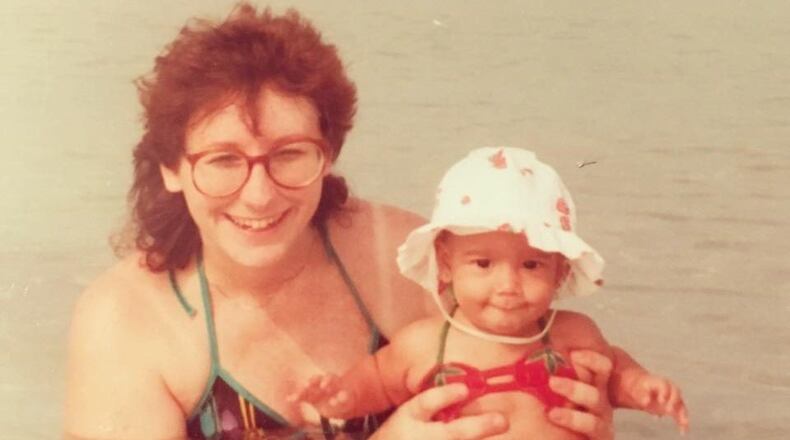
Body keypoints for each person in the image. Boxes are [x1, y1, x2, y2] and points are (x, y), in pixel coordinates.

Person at [65, 4, 634, 439]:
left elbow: (528, 358)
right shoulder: (127, 322)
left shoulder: (394, 259)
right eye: (223, 161)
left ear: (329, 152)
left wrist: (580, 414)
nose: (259, 194)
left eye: (290, 154)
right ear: (171, 167)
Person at [295, 147, 689, 439]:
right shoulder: (425, 342)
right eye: (483, 264)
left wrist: (640, 386)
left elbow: (613, 369)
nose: (508, 286)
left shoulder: (573, 333)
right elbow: (378, 382)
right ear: (446, 264)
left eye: (531, 265)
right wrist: (342, 397)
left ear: (560, 270)